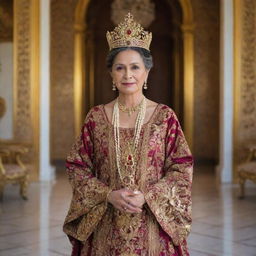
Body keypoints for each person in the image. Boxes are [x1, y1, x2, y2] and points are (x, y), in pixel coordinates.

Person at [63, 13, 193, 256]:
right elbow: (76, 166)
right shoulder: (96, 118)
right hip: (104, 225)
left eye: (135, 67)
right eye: (119, 68)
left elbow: (181, 168)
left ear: (147, 72)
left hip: (154, 225)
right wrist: (108, 195)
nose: (127, 75)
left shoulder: (164, 117)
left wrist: (148, 196)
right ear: (111, 74)